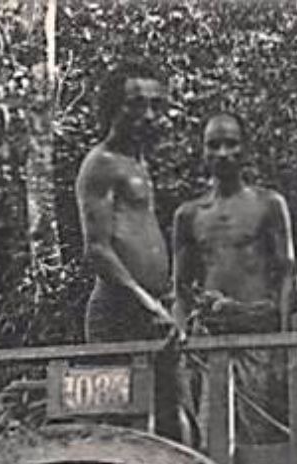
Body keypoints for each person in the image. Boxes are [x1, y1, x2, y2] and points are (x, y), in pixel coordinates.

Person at [172, 112, 296, 442]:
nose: (223, 153)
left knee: (261, 434)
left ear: (246, 150)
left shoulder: (269, 204)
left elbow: (287, 274)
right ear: (202, 152)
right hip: (210, 341)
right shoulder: (189, 215)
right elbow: (181, 289)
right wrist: (182, 346)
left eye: (231, 144)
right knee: (208, 435)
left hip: (258, 338)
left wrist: (284, 345)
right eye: (214, 145)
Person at [75, 62, 179, 343]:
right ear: (114, 108)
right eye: (135, 105)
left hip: (155, 310)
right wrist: (145, 301)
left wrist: (165, 298)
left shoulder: (138, 162)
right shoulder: (101, 163)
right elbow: (97, 249)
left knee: (172, 387)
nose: (147, 115)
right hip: (119, 313)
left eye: (155, 106)